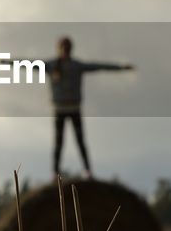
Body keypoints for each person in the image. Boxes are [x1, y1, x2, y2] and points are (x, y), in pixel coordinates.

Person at [41, 36, 134, 179]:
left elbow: (100, 66)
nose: (65, 51)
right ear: (59, 49)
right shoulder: (51, 65)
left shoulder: (77, 66)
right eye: (64, 48)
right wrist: (6, 62)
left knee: (80, 141)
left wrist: (120, 67)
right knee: (59, 142)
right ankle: (55, 172)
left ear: (71, 49)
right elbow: (26, 64)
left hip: (74, 108)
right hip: (59, 109)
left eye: (67, 48)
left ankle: (87, 171)